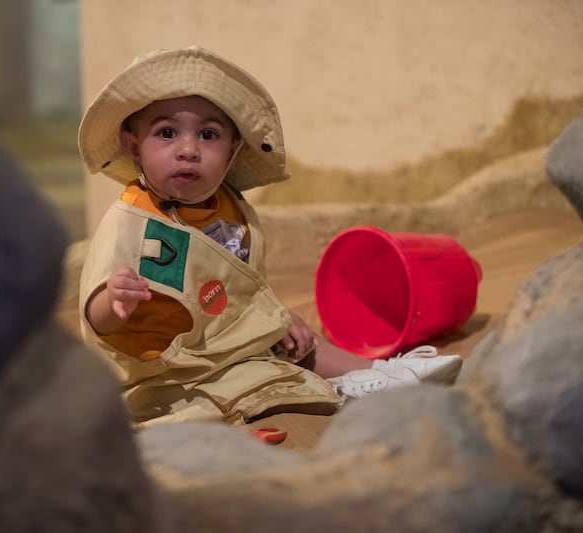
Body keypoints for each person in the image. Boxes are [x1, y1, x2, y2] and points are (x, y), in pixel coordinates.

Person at [77, 46, 462, 428]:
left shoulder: (229, 207)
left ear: (233, 150)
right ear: (134, 147)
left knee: (300, 342)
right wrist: (111, 300)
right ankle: (349, 392)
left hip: (230, 344)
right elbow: (95, 318)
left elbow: (239, 286)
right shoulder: (131, 221)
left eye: (208, 134)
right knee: (271, 381)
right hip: (174, 371)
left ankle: (377, 372)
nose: (189, 150)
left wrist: (274, 315)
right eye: (166, 133)